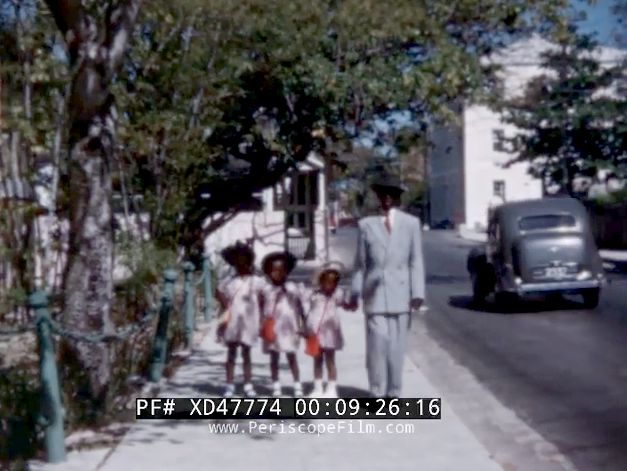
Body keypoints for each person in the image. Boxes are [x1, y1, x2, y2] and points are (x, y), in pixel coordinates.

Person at [346, 173, 426, 398]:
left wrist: (418, 292)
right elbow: (360, 265)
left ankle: (394, 392)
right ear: (378, 197)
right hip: (375, 294)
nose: (387, 199)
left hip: (401, 294)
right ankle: (376, 391)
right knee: (377, 345)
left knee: (396, 349)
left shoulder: (411, 224)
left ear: (398, 199)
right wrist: (355, 292)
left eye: (392, 195)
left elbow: (415, 260)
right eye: (383, 195)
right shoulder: (366, 225)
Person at [215, 242, 267, 398]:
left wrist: (262, 318)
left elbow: (263, 298)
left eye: (244, 261)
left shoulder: (256, 281)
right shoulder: (229, 281)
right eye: (237, 261)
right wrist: (225, 303)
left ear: (249, 262)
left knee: (246, 353)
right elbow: (217, 291)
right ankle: (229, 385)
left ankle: (248, 384)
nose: (241, 264)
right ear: (234, 263)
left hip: (249, 321)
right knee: (231, 353)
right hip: (232, 320)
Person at [261, 251, 306, 397]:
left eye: (281, 270)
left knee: (291, 355)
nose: (278, 274)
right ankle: (276, 385)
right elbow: (263, 308)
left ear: (286, 272)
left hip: (289, 328)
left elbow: (301, 306)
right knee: (274, 357)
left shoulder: (293, 287)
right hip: (273, 328)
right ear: (269, 272)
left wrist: (303, 324)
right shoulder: (267, 289)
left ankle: (297, 384)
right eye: (274, 270)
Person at [303, 262, 349, 398]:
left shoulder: (337, 294)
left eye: (333, 282)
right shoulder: (314, 295)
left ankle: (331, 387)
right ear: (321, 281)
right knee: (317, 360)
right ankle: (317, 387)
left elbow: (345, 304)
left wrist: (351, 301)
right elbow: (305, 308)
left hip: (330, 332)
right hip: (315, 331)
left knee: (330, 360)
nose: (329, 285)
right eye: (326, 282)